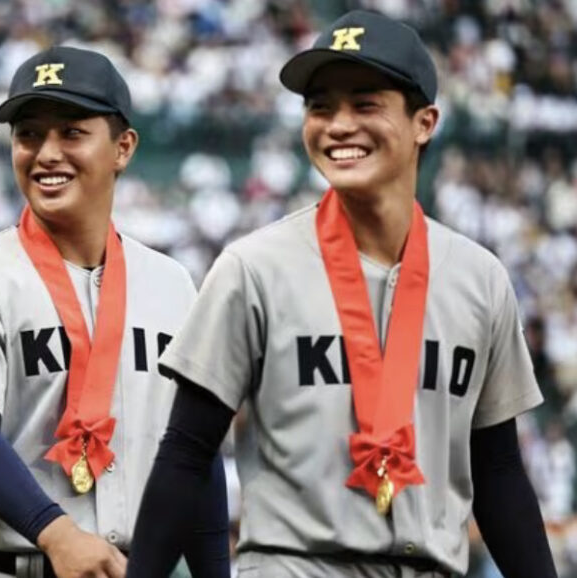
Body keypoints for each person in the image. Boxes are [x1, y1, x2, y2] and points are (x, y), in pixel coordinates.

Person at [127, 10, 557, 578]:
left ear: (424, 122)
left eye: (365, 104)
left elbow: (498, 471)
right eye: (320, 106)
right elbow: (186, 452)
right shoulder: (253, 268)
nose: (338, 125)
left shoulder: (480, 279)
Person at [0, 46, 229, 578]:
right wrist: (58, 534)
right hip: (7, 565)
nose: (47, 153)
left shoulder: (172, 284)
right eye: (29, 135)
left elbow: (197, 450)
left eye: (72, 132)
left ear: (123, 147)